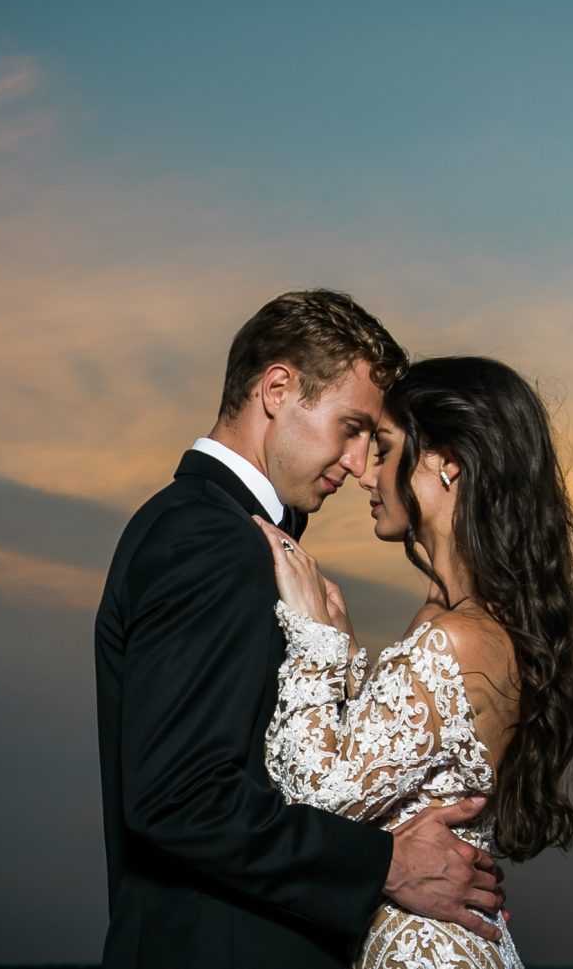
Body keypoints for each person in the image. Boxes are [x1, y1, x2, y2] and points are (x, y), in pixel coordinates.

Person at [94, 292, 505, 969]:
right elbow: (179, 797)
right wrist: (388, 865)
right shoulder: (206, 538)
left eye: (370, 441)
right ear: (278, 388)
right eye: (348, 428)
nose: (354, 463)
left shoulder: (231, 534)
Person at [254, 355, 573, 969]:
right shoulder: (443, 624)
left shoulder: (460, 639)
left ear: (447, 462)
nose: (365, 473)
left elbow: (313, 798)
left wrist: (314, 639)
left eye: (386, 449)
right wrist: (341, 657)